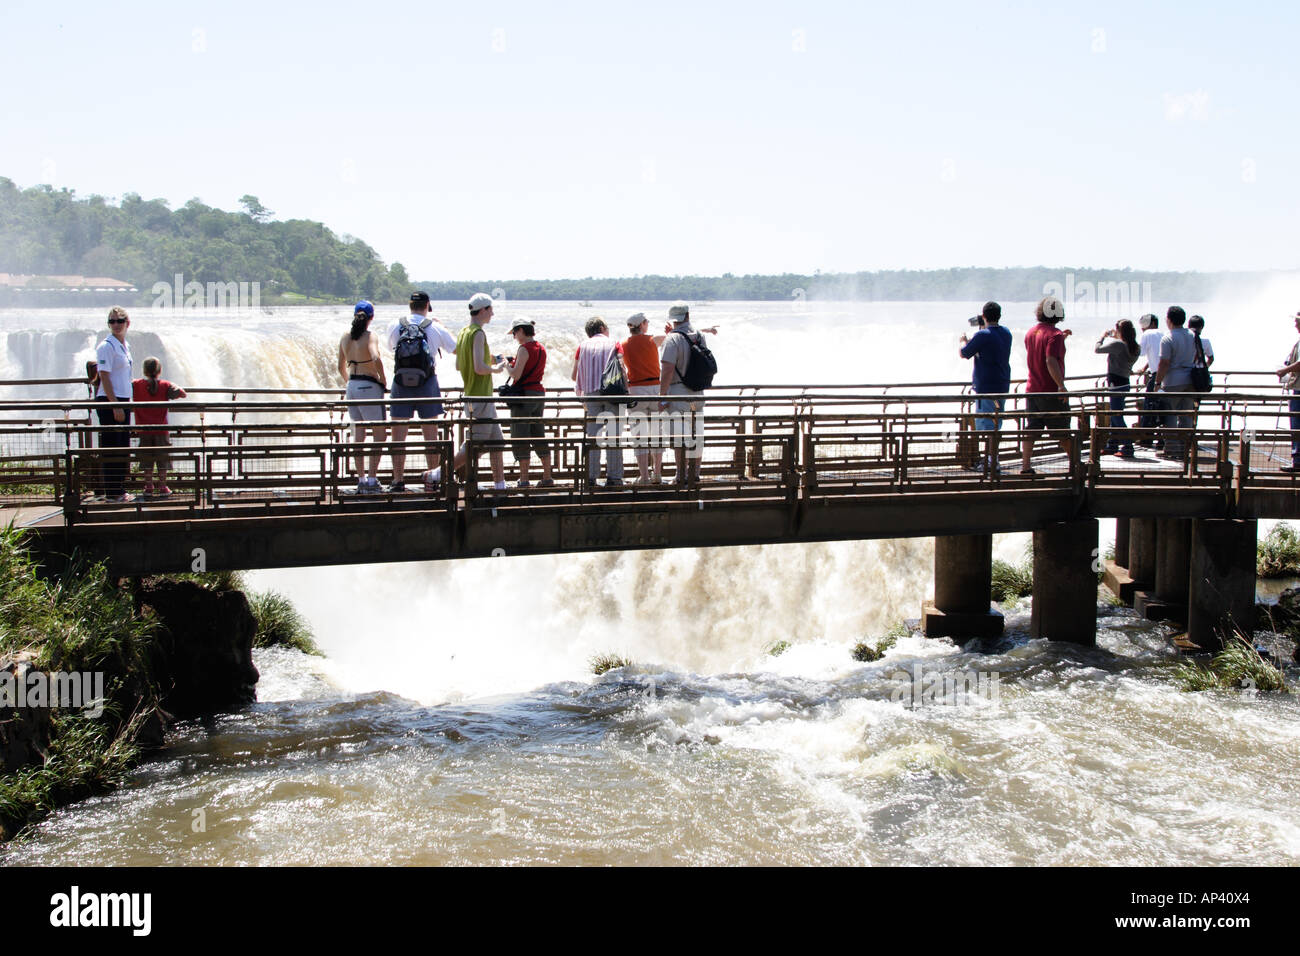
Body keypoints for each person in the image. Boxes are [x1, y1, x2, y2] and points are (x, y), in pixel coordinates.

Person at [386, 291, 456, 491]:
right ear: (427, 306)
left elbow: (391, 347)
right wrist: (442, 326)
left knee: (398, 435)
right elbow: (456, 348)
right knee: (431, 435)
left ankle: (398, 480)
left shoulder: (395, 324)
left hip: (400, 383)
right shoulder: (434, 326)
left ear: (410, 306)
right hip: (427, 383)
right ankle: (432, 479)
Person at [445, 292, 507, 490]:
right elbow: (479, 368)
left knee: (497, 441)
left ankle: (500, 485)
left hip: (473, 395)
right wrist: (496, 369)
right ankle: (440, 473)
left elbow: (459, 364)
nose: (493, 314)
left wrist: (493, 358)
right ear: (483, 310)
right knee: (475, 444)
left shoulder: (464, 332)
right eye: (491, 310)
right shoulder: (479, 333)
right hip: (480, 396)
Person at [337, 300, 388, 494]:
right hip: (369, 385)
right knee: (379, 434)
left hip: (351, 386)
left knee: (358, 434)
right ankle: (373, 478)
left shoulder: (345, 337)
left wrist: (349, 383)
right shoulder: (370, 336)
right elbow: (375, 358)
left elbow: (340, 367)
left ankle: (361, 479)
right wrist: (383, 380)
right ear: (371, 318)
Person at [1019, 296, 1072, 476]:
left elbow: (1040, 352)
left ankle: (1025, 466)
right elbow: (1050, 360)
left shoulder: (1031, 332)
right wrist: (1061, 386)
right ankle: (1075, 464)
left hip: (1032, 389)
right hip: (1049, 390)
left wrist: (1061, 338)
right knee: (1062, 429)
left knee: (1032, 428)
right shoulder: (1054, 335)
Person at [958, 300, 1012, 473]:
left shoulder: (982, 336)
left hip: (985, 387)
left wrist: (963, 341)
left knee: (986, 425)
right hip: (1002, 385)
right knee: (996, 424)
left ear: (983, 316)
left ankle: (990, 462)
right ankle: (992, 459)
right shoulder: (1006, 333)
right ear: (1000, 316)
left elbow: (965, 353)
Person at [573, 316, 625, 488]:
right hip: (612, 394)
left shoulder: (582, 346)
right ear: (603, 328)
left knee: (593, 436)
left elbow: (574, 375)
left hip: (590, 394)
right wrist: (627, 391)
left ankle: (590, 477)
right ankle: (614, 478)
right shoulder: (614, 343)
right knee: (613, 435)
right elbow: (621, 368)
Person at [503, 317, 554, 487]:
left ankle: (524, 479)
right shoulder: (541, 348)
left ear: (522, 331)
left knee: (520, 435)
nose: (515, 336)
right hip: (539, 393)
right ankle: (547, 476)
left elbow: (516, 375)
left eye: (515, 333)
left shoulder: (524, 349)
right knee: (538, 433)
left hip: (524, 395)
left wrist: (505, 365)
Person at [131, 357, 187, 498]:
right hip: (161, 430)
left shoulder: (136, 384)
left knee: (147, 459)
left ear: (144, 370)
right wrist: (173, 384)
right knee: (163, 459)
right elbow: (183, 394)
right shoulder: (165, 385)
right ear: (160, 370)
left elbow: (124, 388)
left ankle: (148, 486)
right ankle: (163, 486)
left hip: (143, 430)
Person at [94, 306, 134, 501]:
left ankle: (119, 489)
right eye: (112, 321)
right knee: (112, 447)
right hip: (111, 401)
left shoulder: (125, 345)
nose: (116, 325)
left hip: (122, 400)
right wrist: (115, 404)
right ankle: (112, 492)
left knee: (122, 446)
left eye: (119, 321)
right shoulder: (106, 346)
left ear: (128, 323)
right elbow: (104, 376)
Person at [622, 313, 665, 484]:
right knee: (657, 432)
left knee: (638, 434)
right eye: (647, 322)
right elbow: (676, 335)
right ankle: (657, 473)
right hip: (655, 388)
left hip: (635, 389)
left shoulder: (623, 344)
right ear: (643, 325)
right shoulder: (653, 340)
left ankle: (644, 477)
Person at [1153, 306, 1197, 462]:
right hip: (1190, 381)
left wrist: (1157, 382)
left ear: (1169, 319)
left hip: (1172, 381)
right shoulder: (1192, 335)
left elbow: (1164, 362)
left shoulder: (1168, 337)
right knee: (1186, 416)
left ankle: (1171, 449)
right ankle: (1185, 448)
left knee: (1170, 416)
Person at [1095, 319, 1141, 458]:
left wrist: (1102, 336)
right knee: (1114, 414)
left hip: (1115, 384)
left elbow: (1097, 349)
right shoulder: (1135, 346)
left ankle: (1128, 447)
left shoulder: (1118, 344)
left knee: (1116, 416)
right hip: (1125, 382)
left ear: (1120, 331)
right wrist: (1116, 337)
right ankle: (1112, 445)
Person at [1275, 312, 1300, 473]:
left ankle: (1297, 460)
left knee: (1297, 424)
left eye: (1297, 321)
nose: (1295, 324)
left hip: (1299, 389)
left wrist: (1284, 370)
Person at [1133, 313, 1163, 445]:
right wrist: (1145, 368)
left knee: (1148, 407)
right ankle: (1162, 439)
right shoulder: (1164, 334)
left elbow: (1139, 352)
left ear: (1153, 324)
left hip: (1157, 376)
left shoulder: (1147, 334)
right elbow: (1157, 356)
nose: (1142, 329)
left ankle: (1146, 439)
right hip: (1167, 375)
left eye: (1144, 326)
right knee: (1163, 408)